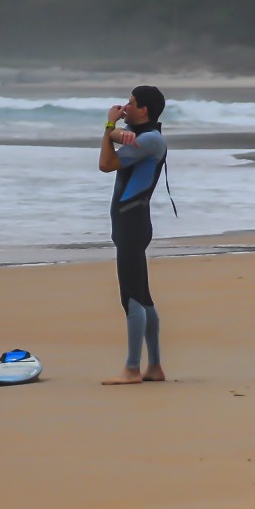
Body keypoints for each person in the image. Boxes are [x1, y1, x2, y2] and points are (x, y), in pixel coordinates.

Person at [99, 85, 168, 385]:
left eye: (131, 102)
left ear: (145, 110)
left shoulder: (152, 140)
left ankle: (131, 368)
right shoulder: (144, 137)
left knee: (132, 299)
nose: (125, 106)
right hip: (131, 223)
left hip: (132, 224)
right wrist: (113, 130)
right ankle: (154, 367)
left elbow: (106, 164)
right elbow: (116, 145)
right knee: (144, 297)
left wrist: (109, 126)